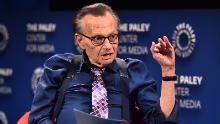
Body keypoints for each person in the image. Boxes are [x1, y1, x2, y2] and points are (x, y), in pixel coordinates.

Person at [29, 3, 179, 124]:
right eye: (98, 39)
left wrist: (168, 70)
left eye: (112, 37)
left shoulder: (132, 70)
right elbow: (38, 118)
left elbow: (161, 120)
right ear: (80, 40)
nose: (108, 46)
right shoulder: (60, 67)